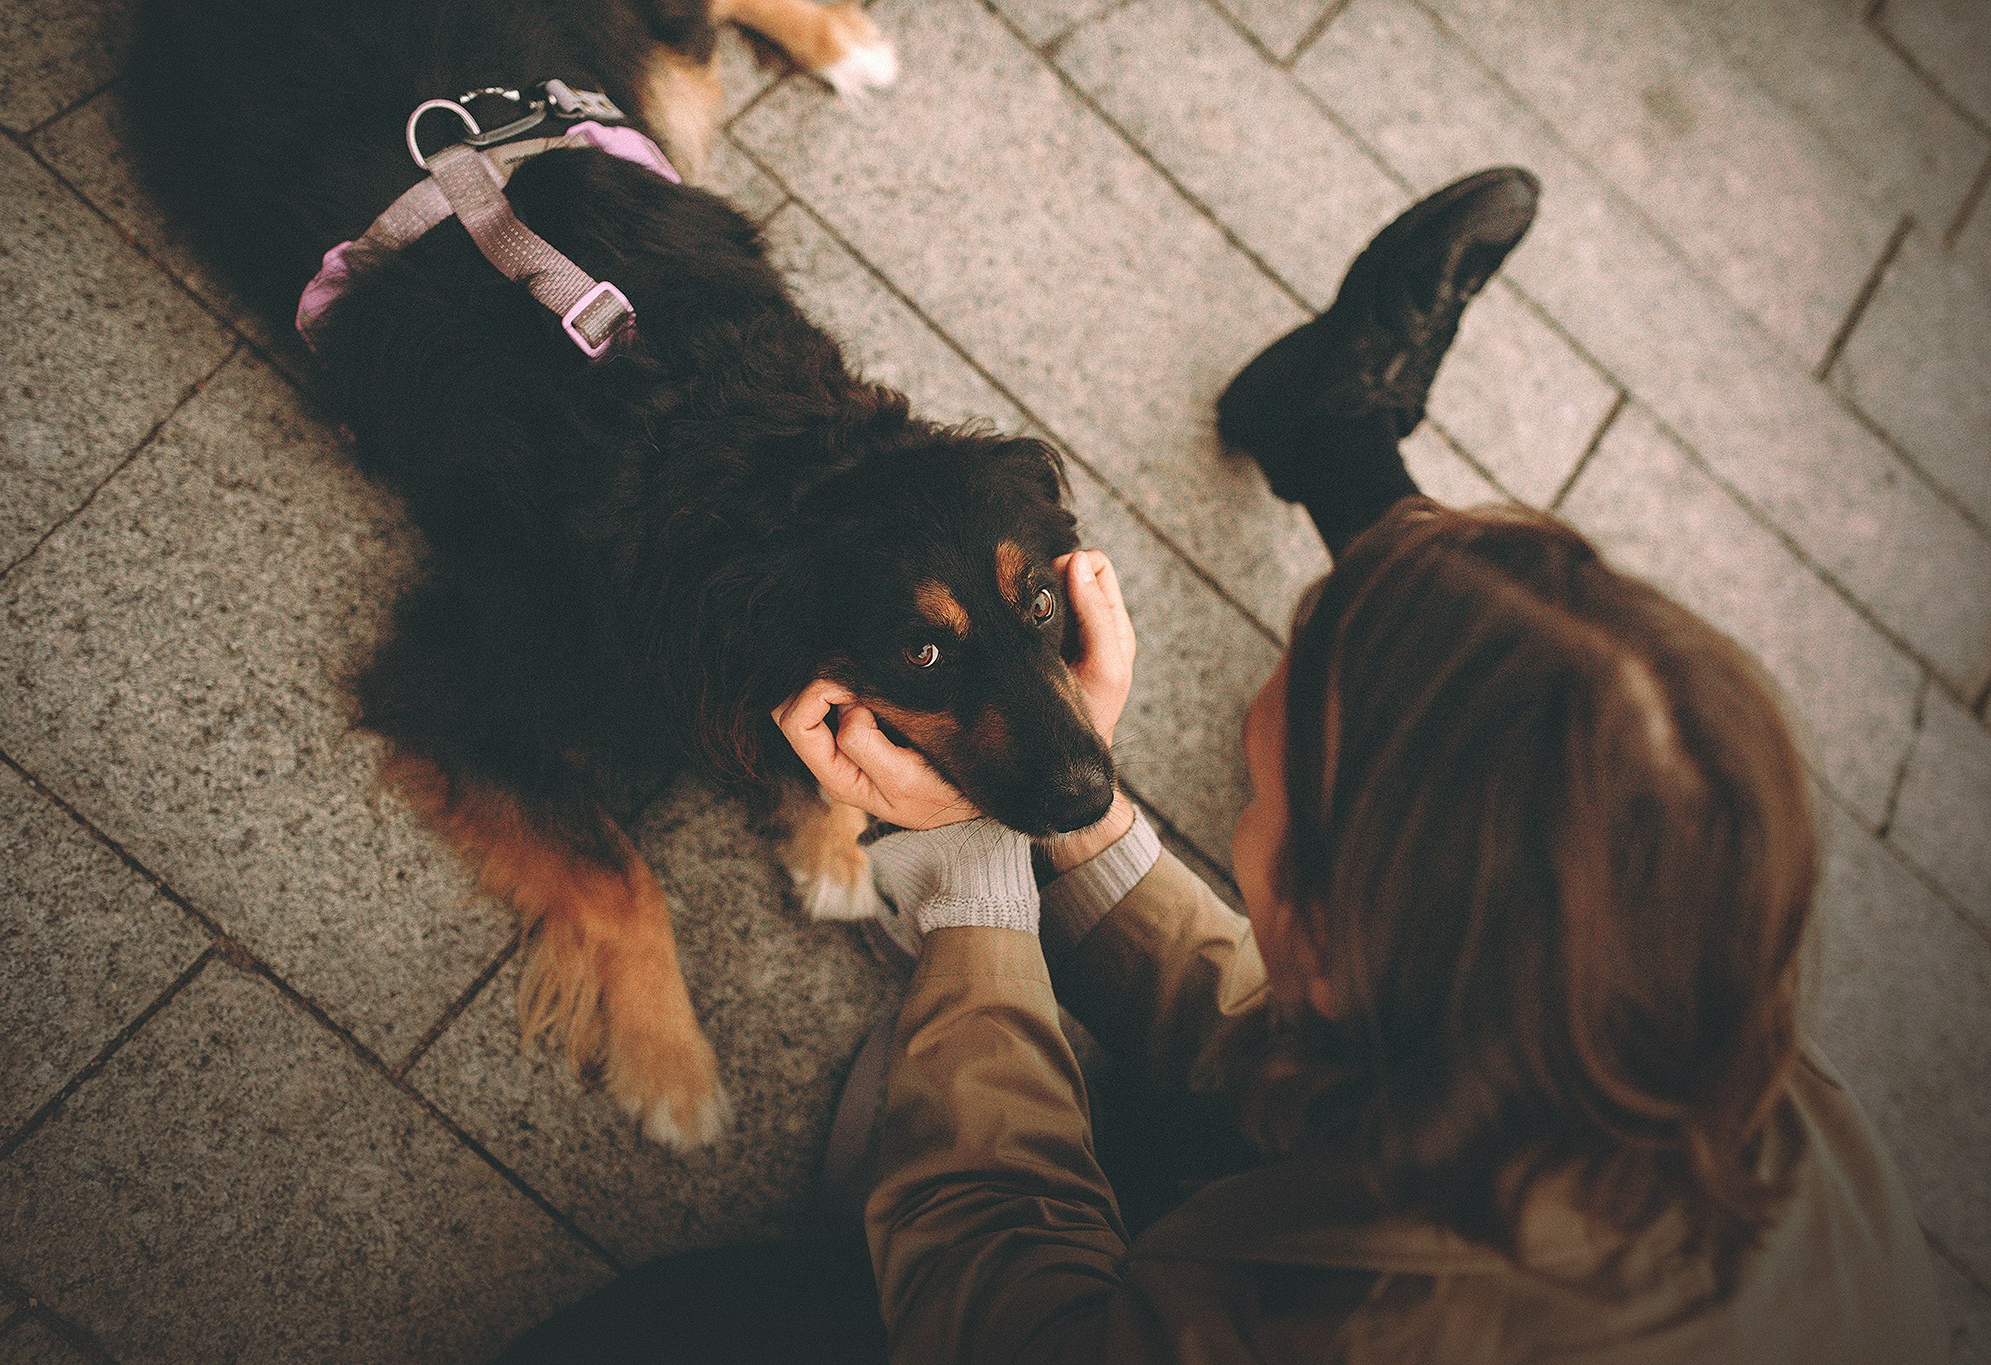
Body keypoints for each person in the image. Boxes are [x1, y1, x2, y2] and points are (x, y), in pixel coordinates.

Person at [767, 168, 1946, 1363]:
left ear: (1326, 947)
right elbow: (1306, 1042)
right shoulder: (1680, 1044)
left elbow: (1014, 1330)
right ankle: (1329, 429)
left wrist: (972, 866)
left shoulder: (1368, 1336)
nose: (1239, 796)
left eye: (1259, 794)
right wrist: (1064, 813)